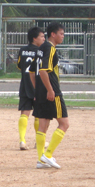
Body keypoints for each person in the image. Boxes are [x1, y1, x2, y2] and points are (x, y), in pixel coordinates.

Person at [32, 22, 69, 169]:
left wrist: (37, 90)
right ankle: (47, 155)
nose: (63, 36)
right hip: (52, 91)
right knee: (64, 124)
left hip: (41, 91)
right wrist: (50, 90)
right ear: (53, 34)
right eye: (61, 33)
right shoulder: (50, 48)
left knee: (43, 125)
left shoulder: (41, 48)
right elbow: (43, 70)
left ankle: (41, 160)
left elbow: (32, 72)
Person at [17, 26, 45, 150]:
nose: (44, 39)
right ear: (34, 38)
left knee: (25, 113)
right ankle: (39, 142)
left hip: (25, 85)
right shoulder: (41, 51)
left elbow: (20, 65)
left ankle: (22, 141)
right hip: (37, 85)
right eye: (42, 36)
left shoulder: (22, 50)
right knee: (38, 114)